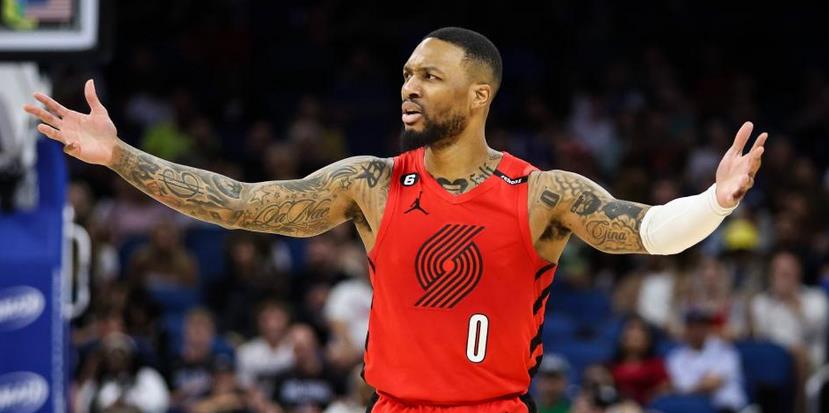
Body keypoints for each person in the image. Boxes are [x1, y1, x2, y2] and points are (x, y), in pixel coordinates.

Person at [25, 26, 766, 413]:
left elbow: (647, 231)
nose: (409, 86)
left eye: (429, 76)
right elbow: (239, 202)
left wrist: (716, 201)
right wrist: (118, 155)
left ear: (478, 95)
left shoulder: (542, 193)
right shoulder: (372, 183)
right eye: (407, 73)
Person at [666, 309, 747, 413]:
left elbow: (714, 383)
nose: (697, 331)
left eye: (701, 326)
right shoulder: (676, 357)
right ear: (686, 329)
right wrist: (703, 383)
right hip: (691, 408)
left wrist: (698, 385)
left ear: (708, 329)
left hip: (729, 408)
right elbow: (681, 386)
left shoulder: (725, 350)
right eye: (692, 327)